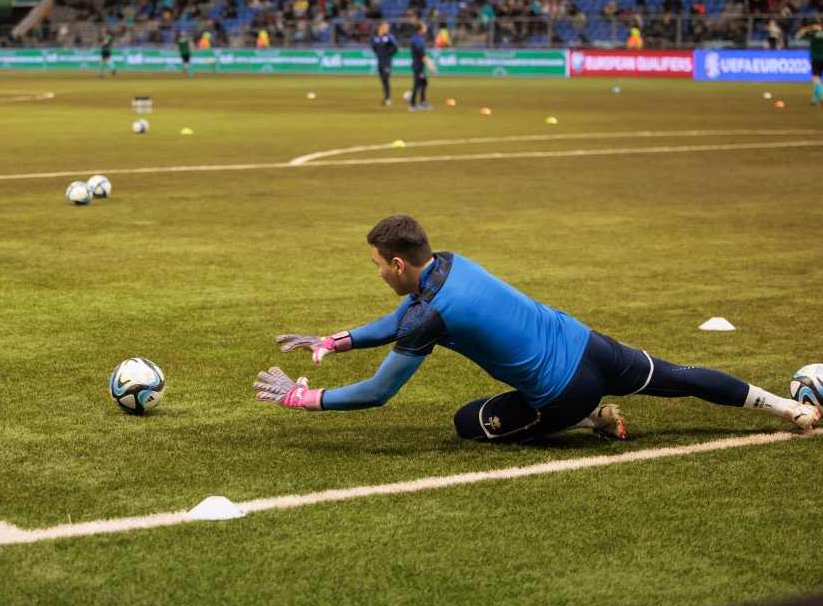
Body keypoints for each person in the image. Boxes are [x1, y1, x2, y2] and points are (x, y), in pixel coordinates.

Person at [255, 215, 820, 442]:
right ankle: (790, 410)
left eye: (377, 264)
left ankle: (592, 415)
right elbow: (402, 318)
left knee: (464, 423)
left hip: (565, 392)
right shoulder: (450, 262)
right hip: (590, 344)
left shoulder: (427, 316)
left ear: (399, 265)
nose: (377, 272)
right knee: (683, 376)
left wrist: (304, 397)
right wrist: (337, 340)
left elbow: (379, 392)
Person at [408, 22, 437, 111]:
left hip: (418, 64)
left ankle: (422, 102)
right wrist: (430, 66)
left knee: (424, 82)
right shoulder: (418, 39)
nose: (426, 29)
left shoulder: (416, 38)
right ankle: (413, 104)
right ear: (420, 29)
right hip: (418, 65)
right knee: (417, 84)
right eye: (424, 27)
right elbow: (422, 54)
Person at [796, 19, 823, 105]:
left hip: (815, 58)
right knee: (817, 79)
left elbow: (802, 32)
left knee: (816, 79)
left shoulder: (812, 33)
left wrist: (810, 27)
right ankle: (814, 100)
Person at [371, 22, 398, 106]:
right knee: (383, 80)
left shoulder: (389, 37)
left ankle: (387, 98)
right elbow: (374, 48)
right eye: (385, 27)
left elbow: (395, 48)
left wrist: (388, 54)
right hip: (380, 61)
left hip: (387, 62)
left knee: (386, 80)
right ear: (380, 28)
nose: (387, 29)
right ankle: (386, 98)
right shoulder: (375, 38)